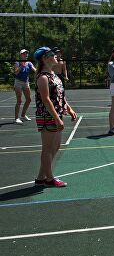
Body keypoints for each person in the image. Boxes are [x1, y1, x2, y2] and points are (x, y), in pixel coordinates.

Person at [33, 46, 77, 187]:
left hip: (56, 114)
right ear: (44, 59)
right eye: (52, 54)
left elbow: (60, 96)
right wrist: (57, 119)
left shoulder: (55, 76)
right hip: (47, 116)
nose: (56, 56)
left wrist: (68, 109)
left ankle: (41, 177)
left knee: (55, 146)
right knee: (47, 148)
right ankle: (49, 179)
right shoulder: (43, 78)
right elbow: (46, 100)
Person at [14, 49, 36, 125]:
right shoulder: (17, 63)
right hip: (18, 82)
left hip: (26, 82)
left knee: (29, 99)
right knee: (19, 101)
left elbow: (35, 70)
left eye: (26, 53)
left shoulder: (29, 63)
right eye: (24, 53)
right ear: (21, 55)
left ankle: (23, 115)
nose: (25, 55)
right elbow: (16, 73)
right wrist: (21, 66)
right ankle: (16, 118)